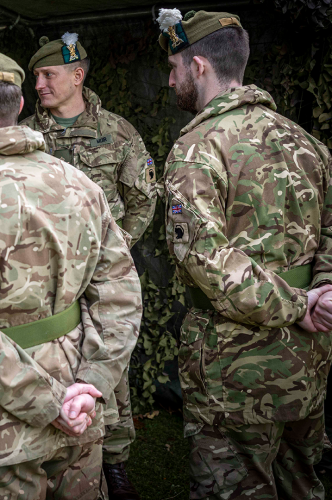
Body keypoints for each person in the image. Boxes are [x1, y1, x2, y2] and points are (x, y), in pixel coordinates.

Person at [0, 40, 142, 500]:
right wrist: (90, 386)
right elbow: (121, 293)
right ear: (20, 105)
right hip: (80, 405)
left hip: (2, 425)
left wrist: (45, 404)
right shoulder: (80, 185)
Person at [159, 8, 332, 498]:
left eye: (173, 68)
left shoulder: (196, 149)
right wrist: (320, 293)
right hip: (310, 359)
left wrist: (302, 304)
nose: (170, 81)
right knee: (302, 483)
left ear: (199, 68)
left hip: (232, 373)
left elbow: (204, 257)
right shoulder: (307, 142)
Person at [19, 31, 158, 500]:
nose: (38, 84)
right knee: (54, 360)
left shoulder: (117, 132)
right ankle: (53, 454)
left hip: (104, 277)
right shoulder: (26, 137)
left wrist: (115, 248)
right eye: (36, 75)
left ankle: (113, 464)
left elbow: (143, 198)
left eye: (47, 74)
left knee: (108, 363)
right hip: (47, 280)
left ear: (77, 75)